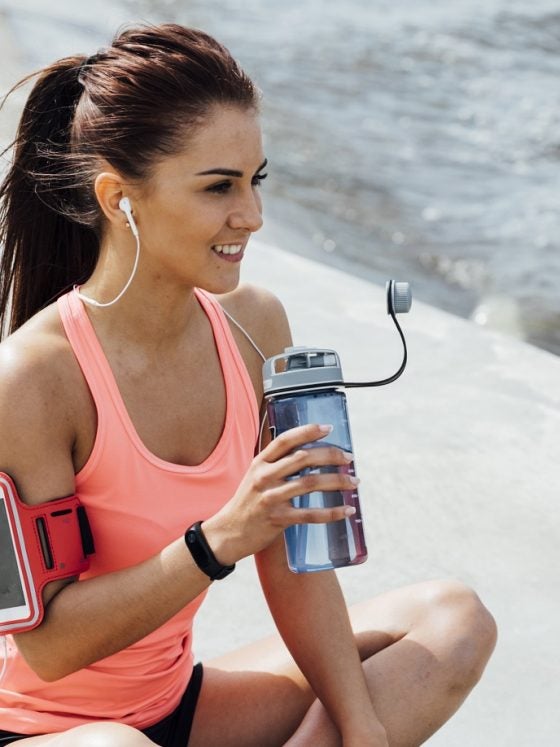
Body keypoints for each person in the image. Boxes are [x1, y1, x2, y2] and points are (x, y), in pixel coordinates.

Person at [0, 23, 496, 747]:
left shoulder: (254, 326)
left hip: (177, 707)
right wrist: (219, 539)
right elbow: (48, 647)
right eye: (218, 187)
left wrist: (361, 726)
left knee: (453, 621)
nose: (252, 217)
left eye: (255, 179)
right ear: (118, 199)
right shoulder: (32, 379)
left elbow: (294, 562)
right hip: (40, 730)